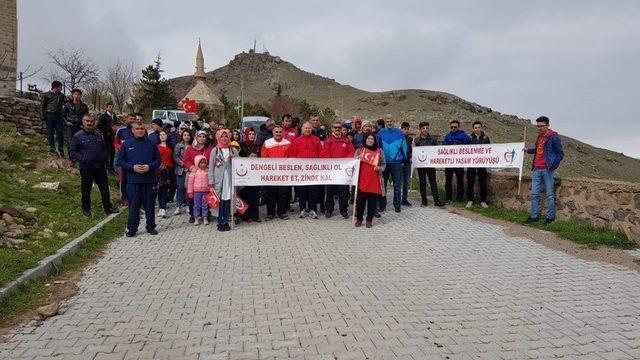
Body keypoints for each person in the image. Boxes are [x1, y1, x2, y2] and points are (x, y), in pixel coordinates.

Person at [69, 114, 119, 217]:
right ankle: (86, 209)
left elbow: (104, 149)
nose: (89, 123)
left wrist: (104, 158)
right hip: (87, 168)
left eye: (91, 121)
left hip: (100, 167)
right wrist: (83, 159)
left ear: (94, 122)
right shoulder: (77, 136)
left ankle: (108, 208)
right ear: (83, 122)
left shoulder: (98, 135)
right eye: (87, 121)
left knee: (105, 189)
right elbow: (73, 152)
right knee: (86, 190)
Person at [117, 121, 161, 237]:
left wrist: (149, 167)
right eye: (137, 128)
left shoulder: (151, 143)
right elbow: (120, 161)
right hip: (133, 180)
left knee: (149, 205)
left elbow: (158, 160)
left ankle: (151, 227)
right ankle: (132, 228)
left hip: (149, 179)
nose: (139, 130)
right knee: (134, 206)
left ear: (145, 130)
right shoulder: (126, 144)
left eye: (142, 128)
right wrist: (132, 167)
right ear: (132, 130)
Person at [523, 116, 564, 225]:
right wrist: (528, 150)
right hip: (536, 169)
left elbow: (560, 154)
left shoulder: (554, 137)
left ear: (547, 125)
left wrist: (553, 166)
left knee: (550, 194)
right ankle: (533, 217)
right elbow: (538, 150)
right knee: (535, 194)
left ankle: (550, 218)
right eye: (538, 126)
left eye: (542, 126)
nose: (539, 128)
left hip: (547, 170)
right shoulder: (539, 137)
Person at [321, 121, 355, 218]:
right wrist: (333, 163)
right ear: (332, 129)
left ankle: (343, 210)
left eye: (339, 127)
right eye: (335, 127)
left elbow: (351, 152)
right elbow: (324, 154)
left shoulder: (346, 141)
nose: (337, 129)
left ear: (341, 129)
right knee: (330, 191)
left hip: (342, 171)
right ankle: (329, 210)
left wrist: (344, 162)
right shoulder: (328, 141)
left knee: (343, 192)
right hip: (331, 171)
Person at [289, 121, 322, 219]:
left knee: (313, 191)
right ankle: (302, 209)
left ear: (312, 129)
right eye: (306, 128)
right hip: (301, 171)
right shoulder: (297, 140)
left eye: (309, 128)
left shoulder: (316, 140)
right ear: (302, 129)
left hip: (313, 171)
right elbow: (292, 155)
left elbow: (320, 154)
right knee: (301, 191)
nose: (308, 130)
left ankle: (313, 210)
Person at [354, 132, 386, 228]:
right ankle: (359, 219)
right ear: (365, 140)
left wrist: (379, 168)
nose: (370, 140)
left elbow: (384, 164)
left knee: (372, 203)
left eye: (372, 139)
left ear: (375, 140)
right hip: (362, 180)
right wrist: (357, 159)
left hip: (375, 181)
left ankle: (369, 220)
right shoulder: (359, 151)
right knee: (360, 202)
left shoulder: (379, 151)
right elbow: (353, 164)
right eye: (368, 139)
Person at [209, 130, 238, 231]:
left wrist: (234, 158)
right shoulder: (215, 150)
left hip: (229, 180)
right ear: (218, 138)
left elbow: (239, 165)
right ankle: (219, 220)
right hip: (219, 180)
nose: (224, 139)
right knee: (219, 200)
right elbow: (211, 167)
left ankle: (226, 220)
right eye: (222, 137)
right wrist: (211, 181)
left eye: (226, 136)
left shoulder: (233, 150)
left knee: (228, 200)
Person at [377, 117, 408, 213]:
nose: (389, 123)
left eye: (391, 121)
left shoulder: (399, 133)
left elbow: (404, 147)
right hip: (384, 163)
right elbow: (377, 147)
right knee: (383, 185)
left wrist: (403, 158)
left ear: (393, 122)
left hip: (396, 163)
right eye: (387, 122)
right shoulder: (380, 133)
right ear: (385, 123)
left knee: (397, 185)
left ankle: (397, 205)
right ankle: (382, 205)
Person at [261, 125, 292, 220]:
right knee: (271, 194)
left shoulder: (288, 143)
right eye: (276, 132)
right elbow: (264, 157)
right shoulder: (267, 143)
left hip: (283, 173)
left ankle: (282, 212)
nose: (278, 134)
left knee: (283, 194)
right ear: (273, 133)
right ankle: (270, 213)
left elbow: (291, 158)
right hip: (271, 174)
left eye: (280, 132)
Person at [183, 130, 214, 223]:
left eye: (204, 136)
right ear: (196, 137)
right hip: (194, 175)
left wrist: (209, 167)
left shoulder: (210, 149)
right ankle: (193, 215)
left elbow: (213, 160)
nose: (202, 138)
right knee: (192, 197)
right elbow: (186, 160)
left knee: (206, 197)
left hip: (205, 175)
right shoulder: (190, 148)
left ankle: (206, 214)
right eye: (200, 136)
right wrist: (191, 167)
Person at [413, 122, 444, 207]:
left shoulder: (433, 139)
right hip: (421, 165)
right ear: (420, 129)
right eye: (424, 128)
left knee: (433, 182)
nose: (425, 130)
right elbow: (415, 152)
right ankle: (424, 201)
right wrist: (413, 148)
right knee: (422, 183)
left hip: (430, 165)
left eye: (427, 128)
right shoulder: (416, 140)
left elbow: (436, 151)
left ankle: (436, 200)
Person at [443, 120, 470, 204]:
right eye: (452, 127)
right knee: (448, 181)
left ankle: (459, 198)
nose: (453, 128)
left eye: (455, 127)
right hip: (449, 162)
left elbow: (469, 147)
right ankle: (448, 198)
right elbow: (443, 148)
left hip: (459, 162)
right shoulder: (447, 136)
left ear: (458, 127)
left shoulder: (464, 136)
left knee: (460, 180)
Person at [239, 127, 262, 222]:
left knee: (255, 196)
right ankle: (246, 215)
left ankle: (256, 215)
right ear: (246, 135)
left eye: (253, 134)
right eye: (250, 134)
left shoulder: (257, 146)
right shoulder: (241, 145)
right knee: (246, 195)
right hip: (245, 175)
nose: (251, 136)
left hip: (255, 175)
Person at [466, 121, 490, 209]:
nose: (477, 129)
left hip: (482, 163)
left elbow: (490, 150)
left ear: (481, 128)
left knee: (483, 182)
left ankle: (483, 201)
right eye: (475, 127)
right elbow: (465, 150)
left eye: (479, 127)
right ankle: (470, 200)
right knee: (470, 182)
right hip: (471, 163)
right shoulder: (469, 138)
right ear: (473, 129)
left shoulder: (486, 138)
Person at [114, 114, 136, 205]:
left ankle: (134, 197)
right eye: (130, 119)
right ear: (127, 119)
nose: (132, 121)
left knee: (133, 179)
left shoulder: (138, 130)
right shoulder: (121, 130)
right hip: (123, 160)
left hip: (135, 159)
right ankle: (124, 198)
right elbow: (116, 143)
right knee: (123, 179)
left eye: (134, 119)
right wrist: (122, 149)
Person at [41, 81, 66, 156]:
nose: (61, 89)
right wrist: (43, 116)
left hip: (59, 116)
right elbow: (43, 106)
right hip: (49, 116)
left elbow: (66, 103)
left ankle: (60, 149)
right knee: (50, 132)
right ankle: (52, 148)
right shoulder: (47, 94)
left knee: (60, 133)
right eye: (60, 87)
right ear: (55, 87)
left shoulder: (62, 95)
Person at [62, 89, 89, 159]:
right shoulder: (67, 104)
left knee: (80, 141)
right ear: (73, 95)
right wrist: (66, 122)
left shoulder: (84, 106)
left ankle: (79, 157)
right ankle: (71, 159)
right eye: (75, 94)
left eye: (78, 94)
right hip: (69, 126)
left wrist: (84, 125)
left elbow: (87, 117)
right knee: (70, 142)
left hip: (80, 126)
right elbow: (62, 115)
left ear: (80, 96)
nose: (77, 96)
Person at [173, 130, 193, 215]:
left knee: (188, 189)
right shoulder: (178, 146)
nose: (186, 137)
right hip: (180, 170)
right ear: (182, 136)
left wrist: (189, 166)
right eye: (184, 135)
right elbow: (175, 157)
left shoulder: (193, 146)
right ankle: (178, 206)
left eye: (188, 135)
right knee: (180, 188)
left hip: (189, 170)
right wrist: (184, 164)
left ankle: (188, 205)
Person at [187, 155, 211, 226]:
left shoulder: (207, 172)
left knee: (205, 205)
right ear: (197, 163)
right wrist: (190, 192)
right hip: (196, 192)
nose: (203, 164)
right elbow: (190, 183)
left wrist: (210, 190)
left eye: (204, 163)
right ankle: (196, 218)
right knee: (196, 205)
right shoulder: (194, 172)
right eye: (201, 163)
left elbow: (210, 182)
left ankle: (205, 218)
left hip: (205, 192)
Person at [156, 130, 174, 218]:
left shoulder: (170, 146)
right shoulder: (156, 146)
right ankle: (162, 208)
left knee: (167, 188)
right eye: (160, 135)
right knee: (161, 189)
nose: (162, 136)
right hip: (160, 169)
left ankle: (163, 206)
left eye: (164, 134)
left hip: (169, 168)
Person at [98, 102, 117, 170]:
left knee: (112, 152)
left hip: (113, 137)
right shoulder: (103, 116)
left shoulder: (114, 115)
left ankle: (111, 167)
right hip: (106, 137)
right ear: (106, 108)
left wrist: (115, 128)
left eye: (112, 107)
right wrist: (107, 132)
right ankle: (106, 167)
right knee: (106, 152)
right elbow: (99, 126)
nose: (111, 108)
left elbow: (115, 124)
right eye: (109, 107)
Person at [400, 122, 413, 207]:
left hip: (407, 163)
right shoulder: (398, 139)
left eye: (408, 129)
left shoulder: (410, 139)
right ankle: (397, 200)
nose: (406, 130)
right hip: (399, 163)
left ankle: (404, 199)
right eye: (405, 129)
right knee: (398, 183)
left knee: (406, 182)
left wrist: (412, 154)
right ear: (401, 129)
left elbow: (412, 150)